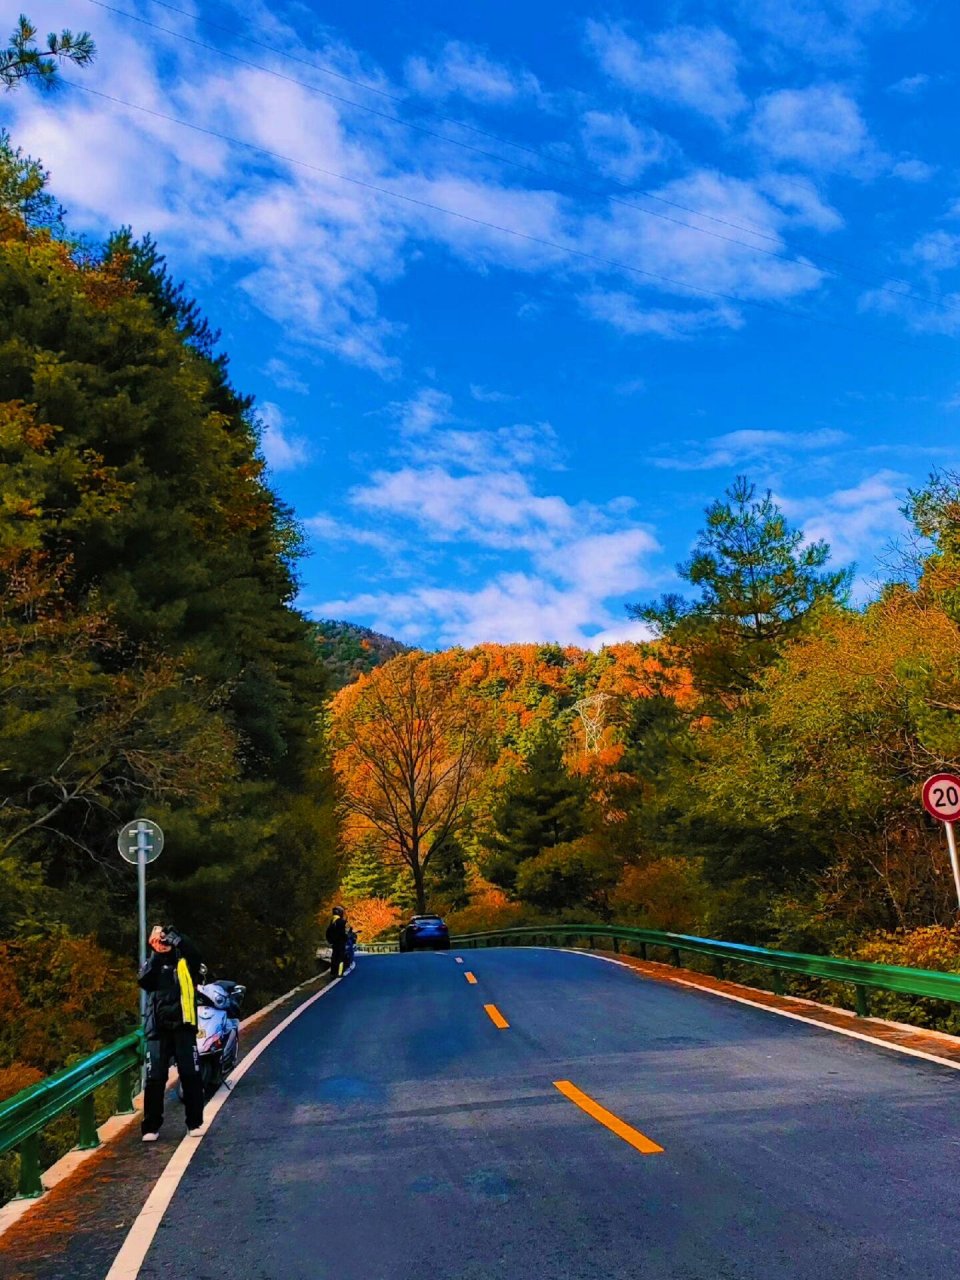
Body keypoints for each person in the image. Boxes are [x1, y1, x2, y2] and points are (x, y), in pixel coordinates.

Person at [138, 924, 205, 1141]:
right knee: (155, 1078)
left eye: (167, 940)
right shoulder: (152, 963)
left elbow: (196, 957)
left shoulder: (185, 962)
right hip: (158, 1027)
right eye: (160, 940)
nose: (164, 943)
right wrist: (157, 953)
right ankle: (151, 1127)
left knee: (191, 1075)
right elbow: (145, 981)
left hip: (183, 1025)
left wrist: (178, 938)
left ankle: (194, 1123)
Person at [326, 906, 348, 979]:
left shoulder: (331, 922)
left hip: (334, 943)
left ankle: (333, 972)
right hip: (341, 943)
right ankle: (339, 973)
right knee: (341, 958)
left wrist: (330, 940)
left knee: (334, 957)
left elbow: (328, 932)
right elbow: (344, 933)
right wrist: (345, 938)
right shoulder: (342, 922)